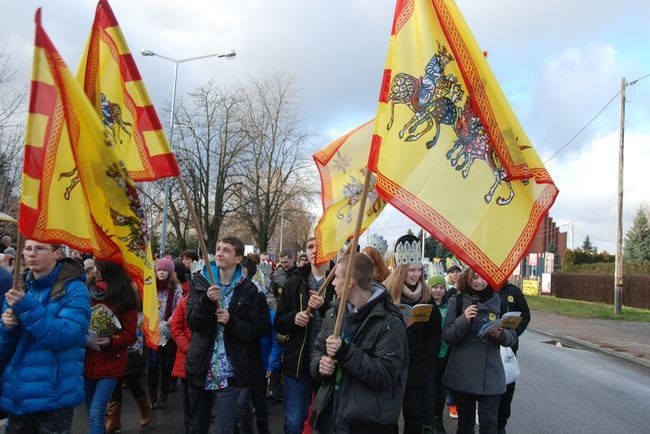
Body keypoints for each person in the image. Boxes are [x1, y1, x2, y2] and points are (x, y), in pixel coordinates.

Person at [309, 252, 408, 433]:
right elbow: (317, 350)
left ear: (349, 283)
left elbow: (386, 375)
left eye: (336, 277)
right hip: (330, 417)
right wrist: (320, 365)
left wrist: (345, 353)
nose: (332, 282)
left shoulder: (389, 323)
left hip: (366, 424)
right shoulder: (333, 313)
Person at [0, 240, 91, 433]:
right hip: (17, 395)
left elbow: (65, 336)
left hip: (53, 398)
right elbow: (3, 348)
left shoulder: (75, 289)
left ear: (57, 253)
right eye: (28, 249)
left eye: (39, 248)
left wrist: (26, 307)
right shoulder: (20, 288)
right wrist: (7, 328)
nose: (31, 253)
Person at [185, 235, 271, 434]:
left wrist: (231, 322)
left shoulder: (249, 289)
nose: (220, 253)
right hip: (201, 368)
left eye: (226, 250)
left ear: (238, 258)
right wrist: (207, 301)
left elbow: (257, 330)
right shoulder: (201, 281)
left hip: (231, 372)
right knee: (196, 428)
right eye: (218, 248)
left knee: (225, 429)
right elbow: (193, 323)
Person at [442, 268, 517, 434]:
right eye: (474, 277)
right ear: (467, 279)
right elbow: (447, 336)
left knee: (489, 424)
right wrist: (464, 319)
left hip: (490, 374)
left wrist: (501, 334)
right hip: (463, 373)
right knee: (465, 424)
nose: (479, 281)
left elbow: (512, 337)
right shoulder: (458, 300)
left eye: (483, 277)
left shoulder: (500, 301)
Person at [274, 236, 336, 434]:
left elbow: (348, 322)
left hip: (328, 365)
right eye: (310, 247)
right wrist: (294, 319)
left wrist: (324, 307)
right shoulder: (295, 282)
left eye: (319, 246)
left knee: (325, 423)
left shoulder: (340, 281)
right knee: (293, 422)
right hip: (298, 364)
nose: (314, 250)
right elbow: (279, 323)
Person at [383, 234, 441, 434]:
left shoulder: (427, 295)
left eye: (419, 270)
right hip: (391, 363)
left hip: (417, 366)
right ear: (401, 271)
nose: (416, 275)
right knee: (388, 416)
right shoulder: (387, 294)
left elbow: (435, 332)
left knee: (414, 415)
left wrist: (427, 362)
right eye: (411, 270)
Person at [84, 260, 138, 434]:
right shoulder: (85, 290)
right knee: (90, 412)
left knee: (96, 412)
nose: (96, 271)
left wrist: (111, 341)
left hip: (111, 362)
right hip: (87, 360)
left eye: (100, 267)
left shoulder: (125, 295)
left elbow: (130, 335)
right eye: (95, 267)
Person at [496, 281, 531, 434]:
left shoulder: (514, 292)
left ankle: (501, 424)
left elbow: (525, 315)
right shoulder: (483, 288)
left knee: (507, 387)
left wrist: (513, 334)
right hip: (486, 349)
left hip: (508, 349)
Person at [150, 255, 183, 409]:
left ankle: (163, 394)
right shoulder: (151, 287)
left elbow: (178, 307)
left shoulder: (176, 289)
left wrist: (169, 320)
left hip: (168, 333)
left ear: (170, 272)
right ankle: (152, 396)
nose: (161, 273)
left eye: (164, 270)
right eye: (159, 270)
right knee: (153, 364)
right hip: (153, 330)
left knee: (166, 365)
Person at [424, 275, 451, 434]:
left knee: (442, 391)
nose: (438, 290)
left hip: (446, 355)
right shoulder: (426, 305)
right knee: (430, 390)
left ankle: (437, 419)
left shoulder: (450, 305)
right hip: (430, 355)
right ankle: (427, 422)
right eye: (435, 287)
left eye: (441, 287)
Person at [171, 285, 192, 433]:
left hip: (208, 357)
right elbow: (176, 328)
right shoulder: (185, 302)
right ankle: (189, 424)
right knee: (187, 394)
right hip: (187, 356)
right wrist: (188, 349)